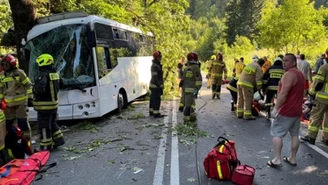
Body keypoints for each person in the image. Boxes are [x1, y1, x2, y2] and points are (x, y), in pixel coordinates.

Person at [267, 53, 304, 168]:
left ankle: (277, 159)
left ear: (293, 62)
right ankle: (292, 158)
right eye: (283, 60)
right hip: (297, 111)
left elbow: (283, 93)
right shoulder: (300, 74)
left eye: (287, 61)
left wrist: (275, 109)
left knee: (277, 133)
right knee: (294, 135)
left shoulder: (289, 74)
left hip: (286, 111)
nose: (284, 63)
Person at [33, 54, 65, 151]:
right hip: (54, 105)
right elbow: (62, 85)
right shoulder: (56, 74)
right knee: (52, 123)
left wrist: (34, 87)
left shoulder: (43, 75)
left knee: (43, 126)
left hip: (44, 107)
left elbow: (39, 89)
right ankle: (59, 140)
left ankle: (45, 147)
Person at [0, 54, 32, 138]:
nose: (5, 66)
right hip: (8, 104)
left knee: (22, 122)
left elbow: (28, 85)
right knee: (8, 123)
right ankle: (12, 141)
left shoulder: (20, 73)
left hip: (21, 103)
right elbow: (1, 89)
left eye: (6, 64)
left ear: (12, 64)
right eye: (3, 64)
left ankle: (27, 140)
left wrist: (30, 98)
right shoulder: (2, 75)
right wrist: (0, 100)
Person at [300, 63, 328, 146]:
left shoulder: (325, 67)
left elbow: (319, 82)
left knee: (316, 116)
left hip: (323, 97)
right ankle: (326, 139)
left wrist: (312, 93)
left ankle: (311, 137)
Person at [181, 52, 202, 124]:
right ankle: (186, 121)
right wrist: (196, 89)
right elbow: (198, 80)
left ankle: (192, 117)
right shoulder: (196, 67)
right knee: (188, 106)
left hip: (186, 90)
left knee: (190, 104)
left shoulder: (187, 68)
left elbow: (183, 80)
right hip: (192, 90)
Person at [149, 51, 165, 118]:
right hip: (155, 86)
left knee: (153, 98)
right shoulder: (155, 66)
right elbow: (155, 77)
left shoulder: (156, 65)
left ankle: (152, 111)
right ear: (156, 57)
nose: (160, 58)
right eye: (159, 57)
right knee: (157, 99)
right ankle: (156, 113)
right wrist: (159, 85)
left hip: (153, 85)